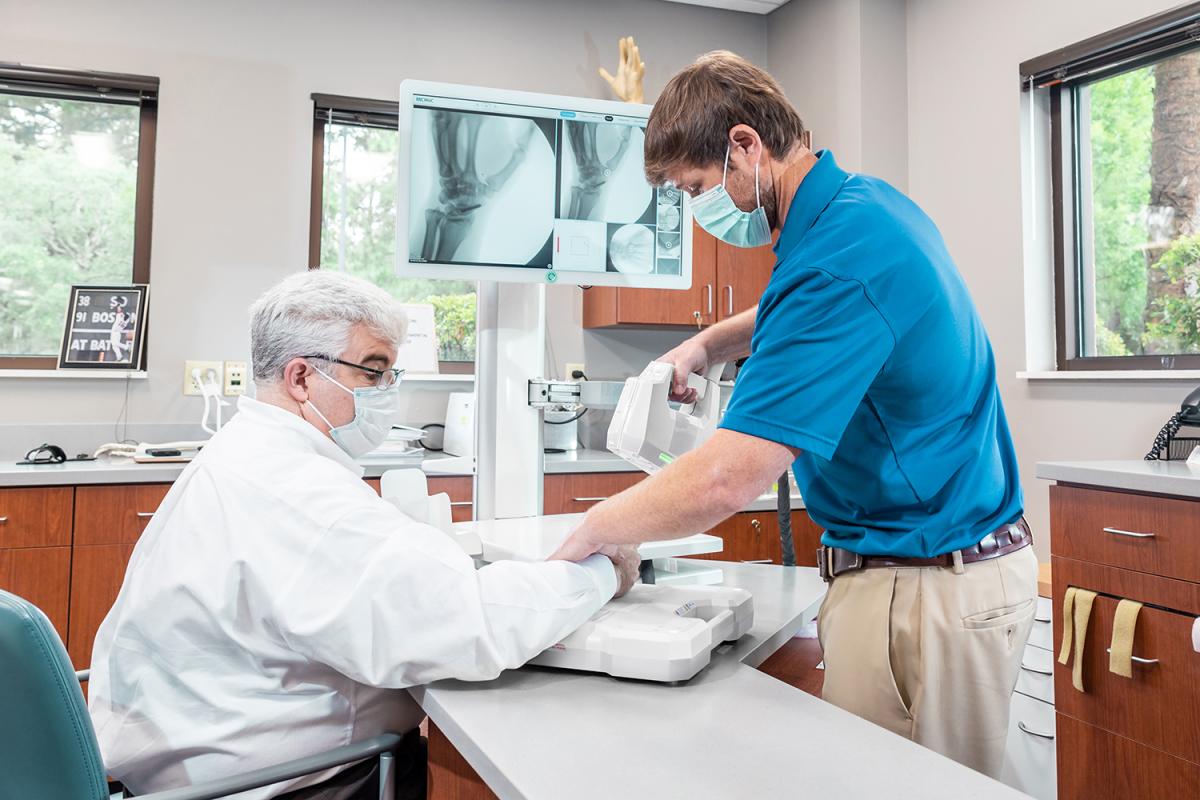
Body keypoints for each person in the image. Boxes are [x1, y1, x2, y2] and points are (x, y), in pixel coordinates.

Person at [551, 51, 1036, 778]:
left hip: (923, 586)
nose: (697, 210)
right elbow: (801, 306)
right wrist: (712, 342)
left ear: (746, 146)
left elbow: (726, 480)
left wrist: (591, 532)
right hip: (943, 566)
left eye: (697, 187)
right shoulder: (863, 208)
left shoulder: (838, 259)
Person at [88, 270, 640, 800]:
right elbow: (471, 628)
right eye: (373, 372)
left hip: (193, 762)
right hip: (298, 783)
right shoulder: (297, 492)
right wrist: (597, 574)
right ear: (300, 377)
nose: (387, 391)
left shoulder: (246, 454)